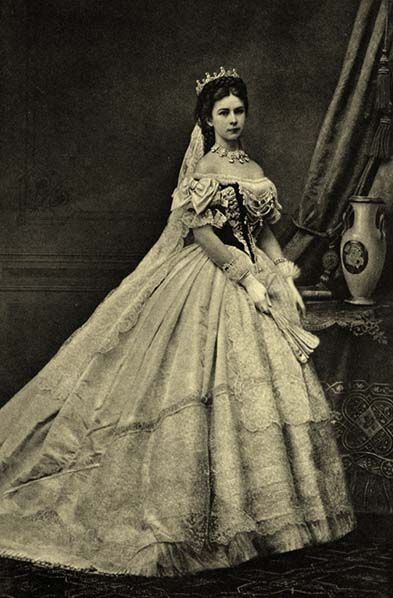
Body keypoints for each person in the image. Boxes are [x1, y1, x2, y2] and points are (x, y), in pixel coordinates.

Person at [0, 67, 355, 577]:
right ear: (207, 120)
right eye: (223, 113)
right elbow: (208, 237)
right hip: (210, 280)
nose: (233, 120)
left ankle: (267, 525)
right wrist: (246, 278)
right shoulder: (205, 169)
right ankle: (199, 526)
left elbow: (266, 232)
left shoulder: (254, 167)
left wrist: (281, 276)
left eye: (239, 111)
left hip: (255, 275)